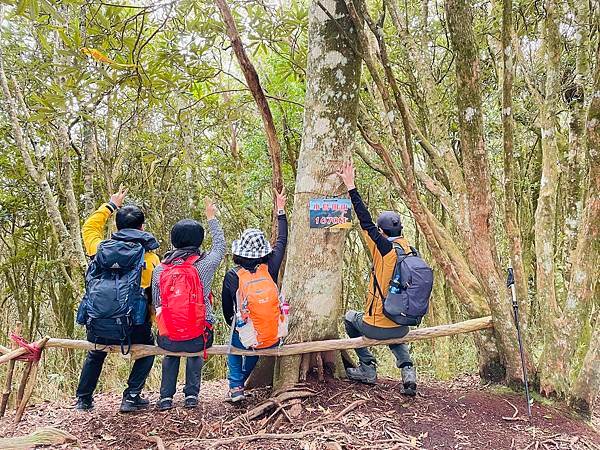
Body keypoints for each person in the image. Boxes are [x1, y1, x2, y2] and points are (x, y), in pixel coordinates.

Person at [75, 188, 161, 412]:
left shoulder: (99, 249)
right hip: (134, 327)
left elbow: (89, 228)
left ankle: (83, 399)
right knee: (149, 349)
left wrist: (111, 205)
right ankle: (131, 396)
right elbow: (153, 295)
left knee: (96, 352)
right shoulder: (150, 258)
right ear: (142, 228)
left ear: (117, 227)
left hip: (99, 322)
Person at [337, 161, 417, 396]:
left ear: (382, 233)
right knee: (394, 321)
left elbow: (365, 220)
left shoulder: (384, 249)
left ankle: (367, 368)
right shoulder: (410, 251)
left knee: (351, 318)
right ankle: (408, 372)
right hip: (402, 326)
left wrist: (351, 186)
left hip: (376, 326)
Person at [153, 198, 226, 411]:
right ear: (199, 240)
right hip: (198, 338)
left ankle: (166, 397)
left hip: (168, 339)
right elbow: (220, 247)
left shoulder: (160, 269)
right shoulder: (205, 265)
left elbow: (157, 304)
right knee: (197, 345)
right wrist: (211, 217)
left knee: (171, 350)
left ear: (173, 240)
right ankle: (191, 395)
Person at [221, 190, 288, 402]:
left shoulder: (233, 275)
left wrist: (236, 323)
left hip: (247, 337)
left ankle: (235, 386)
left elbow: (226, 310)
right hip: (273, 336)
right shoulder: (270, 267)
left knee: (235, 345)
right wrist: (281, 209)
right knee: (256, 343)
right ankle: (244, 378)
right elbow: (282, 241)